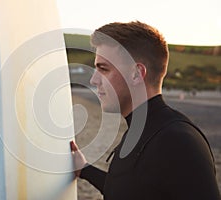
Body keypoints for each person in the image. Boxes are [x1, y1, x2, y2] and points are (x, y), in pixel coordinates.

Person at [70, 21, 220, 200]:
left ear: (136, 73)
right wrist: (84, 169)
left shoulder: (178, 141)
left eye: (104, 69)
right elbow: (130, 190)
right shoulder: (145, 131)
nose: (94, 80)